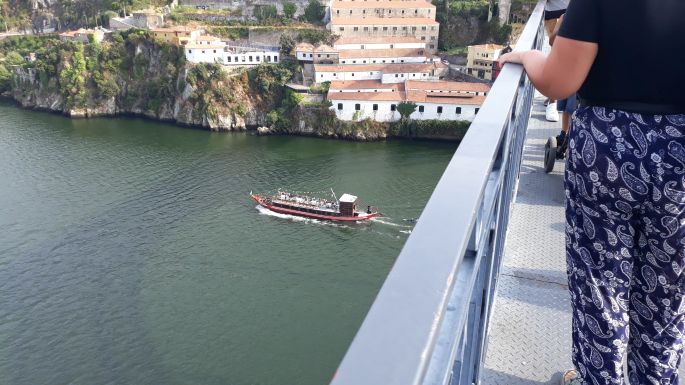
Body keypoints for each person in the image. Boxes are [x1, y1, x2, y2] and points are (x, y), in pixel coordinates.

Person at [499, 1, 685, 384]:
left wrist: (528, 56)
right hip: (679, 160)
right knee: (666, 301)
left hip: (607, 155)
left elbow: (558, 82)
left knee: (601, 291)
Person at [543, 0, 569, 122]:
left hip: (574, 11)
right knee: (558, 56)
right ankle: (553, 102)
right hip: (554, 15)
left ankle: (554, 96)